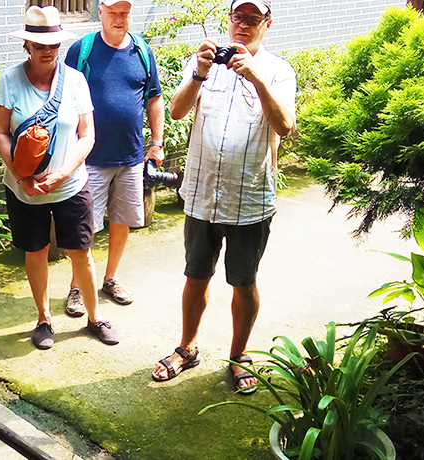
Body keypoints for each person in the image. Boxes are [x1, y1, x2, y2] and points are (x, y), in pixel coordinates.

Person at [151, 0, 296, 394]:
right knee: (195, 275)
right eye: (238, 17)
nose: (243, 25)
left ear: (267, 23)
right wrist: (198, 74)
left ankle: (238, 356)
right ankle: (187, 348)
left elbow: (284, 126)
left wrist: (257, 79)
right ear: (228, 20)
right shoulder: (205, 63)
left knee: (243, 281)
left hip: (249, 198)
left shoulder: (279, 71)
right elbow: (179, 112)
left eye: (252, 19)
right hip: (201, 192)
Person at [0, 5, 120, 350]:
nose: (47, 51)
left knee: (81, 252)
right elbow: (0, 132)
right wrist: (21, 177)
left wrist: (64, 173)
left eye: (52, 45)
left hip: (71, 184)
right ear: (27, 46)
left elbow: (87, 135)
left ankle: (94, 318)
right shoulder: (10, 80)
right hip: (25, 190)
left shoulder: (75, 81)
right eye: (39, 45)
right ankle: (43, 319)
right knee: (36, 251)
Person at [62, 0, 165, 314]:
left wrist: (157, 142)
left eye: (125, 12)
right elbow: (62, 97)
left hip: (131, 157)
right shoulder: (83, 50)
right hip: (89, 158)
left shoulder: (143, 53)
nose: (120, 19)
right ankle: (77, 287)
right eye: (114, 12)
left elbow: (155, 98)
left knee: (122, 222)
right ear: (100, 13)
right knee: (86, 228)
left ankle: (110, 278)